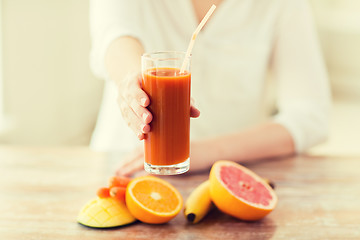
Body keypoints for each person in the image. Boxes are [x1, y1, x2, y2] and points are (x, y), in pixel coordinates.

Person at [89, 0, 331, 176]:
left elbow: (311, 117)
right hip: (124, 167)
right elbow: (114, 36)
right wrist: (131, 81)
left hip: (226, 179)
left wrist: (206, 152)